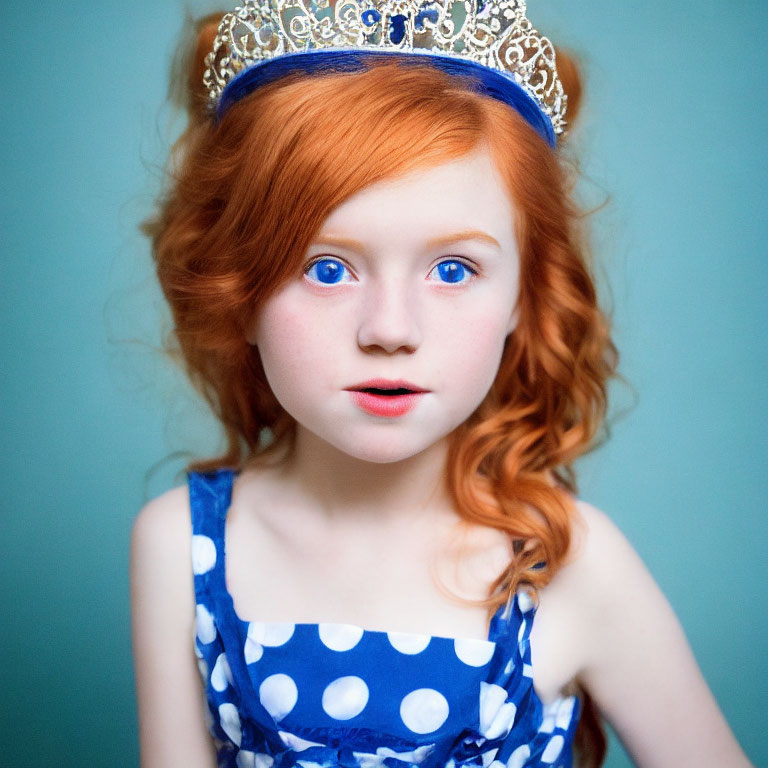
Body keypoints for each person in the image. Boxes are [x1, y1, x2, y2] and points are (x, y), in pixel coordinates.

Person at [130, 2, 753, 767]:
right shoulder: (184, 546)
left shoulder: (567, 567)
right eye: (327, 268)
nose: (390, 328)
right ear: (239, 294)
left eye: (453, 269)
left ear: (524, 297)